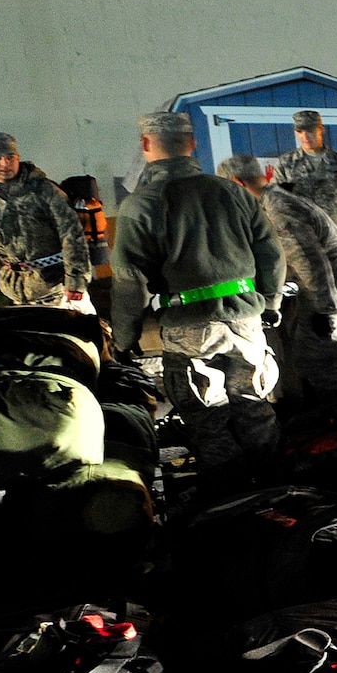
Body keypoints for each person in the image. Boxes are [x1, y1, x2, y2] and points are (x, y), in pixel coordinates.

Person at [110, 113, 285, 490]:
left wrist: (124, 338)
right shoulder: (233, 192)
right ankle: (279, 494)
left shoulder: (140, 205)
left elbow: (129, 282)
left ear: (145, 146)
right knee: (255, 408)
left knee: (209, 419)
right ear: (192, 144)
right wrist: (269, 304)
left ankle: (230, 506)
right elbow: (272, 255)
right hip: (246, 321)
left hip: (191, 329)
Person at [217, 153, 337, 413]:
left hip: (336, 289)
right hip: (335, 285)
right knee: (315, 354)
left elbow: (311, 262)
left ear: (237, 184)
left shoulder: (278, 208)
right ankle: (335, 417)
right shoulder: (273, 199)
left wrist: (325, 310)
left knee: (316, 359)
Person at [0, 131, 93, 314]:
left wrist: (76, 281)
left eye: (10, 157)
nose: (5, 163)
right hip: (16, 291)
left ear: (18, 157)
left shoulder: (44, 190)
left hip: (58, 289)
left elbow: (72, 234)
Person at [273, 110, 337, 246]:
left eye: (310, 130)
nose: (305, 136)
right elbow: (277, 204)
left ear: (321, 129)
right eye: (300, 131)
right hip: (302, 241)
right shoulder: (286, 164)